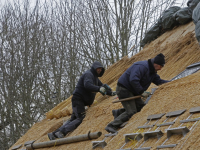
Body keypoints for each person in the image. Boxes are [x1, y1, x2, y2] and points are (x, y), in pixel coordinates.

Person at [48, 61, 116, 140]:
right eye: (98, 69)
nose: (99, 70)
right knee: (81, 118)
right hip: (78, 100)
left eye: (101, 69)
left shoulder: (96, 79)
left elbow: (102, 87)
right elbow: (87, 85)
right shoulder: (88, 74)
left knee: (73, 119)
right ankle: (62, 132)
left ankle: (53, 134)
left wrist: (110, 93)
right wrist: (99, 88)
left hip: (80, 101)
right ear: (94, 68)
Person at [105, 53, 169, 133]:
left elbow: (159, 81)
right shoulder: (142, 66)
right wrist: (142, 92)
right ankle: (111, 125)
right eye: (161, 66)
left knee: (141, 107)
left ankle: (118, 112)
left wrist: (172, 82)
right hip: (124, 88)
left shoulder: (152, 72)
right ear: (156, 64)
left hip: (133, 90)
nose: (161, 69)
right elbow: (133, 79)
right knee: (131, 112)